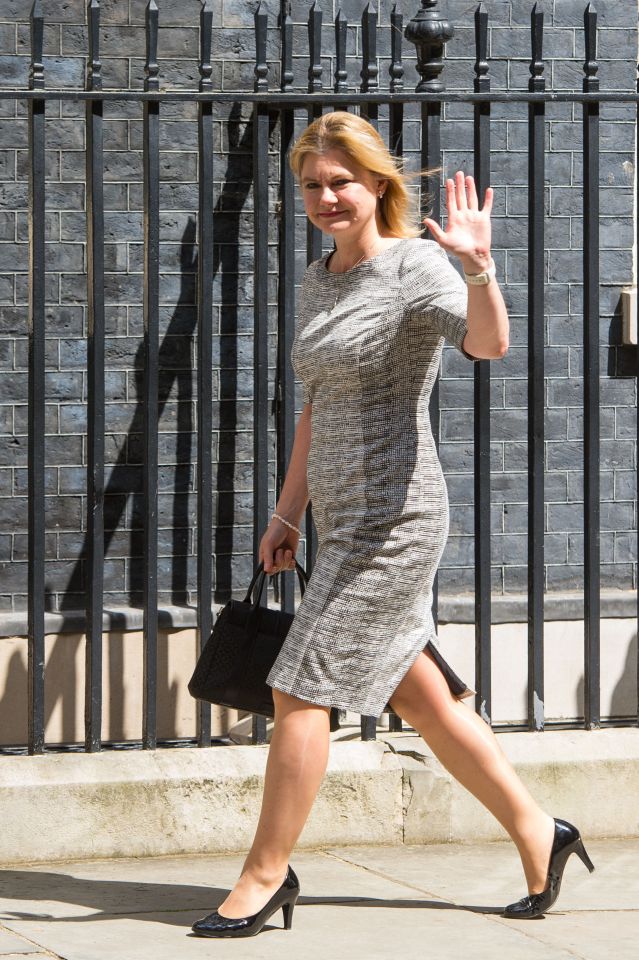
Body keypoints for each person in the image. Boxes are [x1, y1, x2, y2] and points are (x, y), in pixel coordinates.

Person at [190, 111, 595, 939]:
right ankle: (539, 831)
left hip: (396, 520)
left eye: (341, 181)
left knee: (298, 686)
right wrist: (286, 510)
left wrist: (479, 271)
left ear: (377, 184)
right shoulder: (318, 276)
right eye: (311, 185)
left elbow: (487, 346)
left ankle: (265, 875)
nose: (326, 197)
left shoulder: (417, 267)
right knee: (426, 701)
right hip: (335, 517)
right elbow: (316, 404)